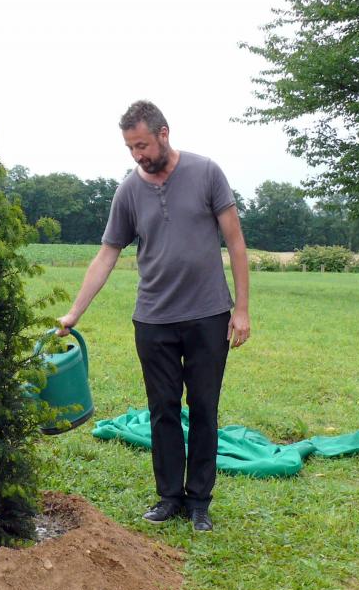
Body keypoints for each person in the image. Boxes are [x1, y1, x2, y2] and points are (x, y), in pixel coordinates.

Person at [58, 100, 251, 531]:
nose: (137, 155)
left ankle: (199, 500)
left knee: (204, 407)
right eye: (130, 148)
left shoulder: (206, 173)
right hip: (153, 319)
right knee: (162, 408)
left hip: (207, 316)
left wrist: (241, 309)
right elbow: (108, 254)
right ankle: (169, 497)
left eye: (142, 145)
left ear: (164, 133)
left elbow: (235, 243)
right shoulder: (129, 190)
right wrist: (74, 312)